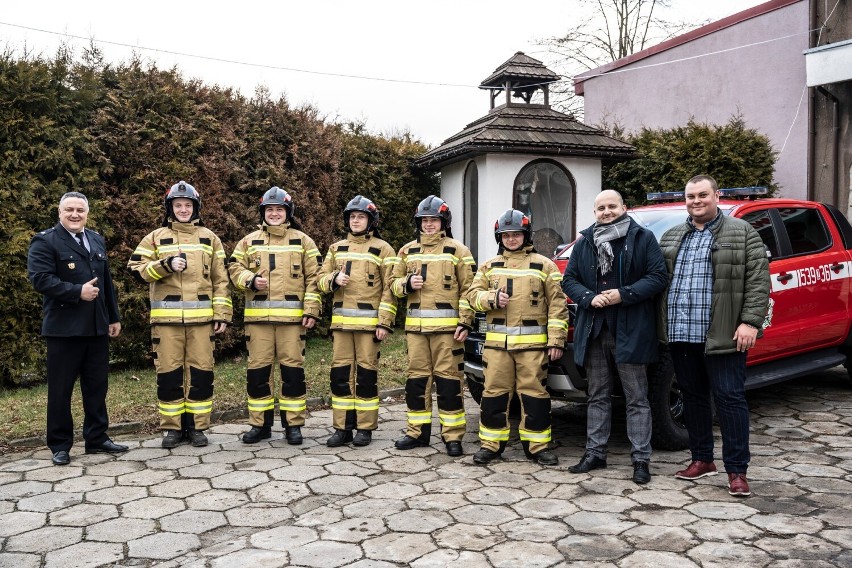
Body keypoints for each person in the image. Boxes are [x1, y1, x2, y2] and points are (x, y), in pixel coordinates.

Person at [659, 174, 770, 497]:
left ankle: (737, 470)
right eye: (691, 196)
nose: (696, 201)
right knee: (693, 398)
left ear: (716, 195)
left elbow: (759, 281)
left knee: (729, 399)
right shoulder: (671, 236)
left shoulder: (742, 233)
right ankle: (702, 459)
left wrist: (750, 322)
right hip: (681, 333)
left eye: (702, 195)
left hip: (723, 334)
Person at [562, 189, 667, 484]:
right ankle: (595, 453)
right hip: (595, 330)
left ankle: (641, 460)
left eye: (611, 206)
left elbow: (658, 277)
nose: (606, 212)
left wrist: (623, 294)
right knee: (597, 395)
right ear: (594, 212)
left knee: (637, 397)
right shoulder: (585, 242)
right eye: (600, 208)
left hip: (631, 330)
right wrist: (587, 298)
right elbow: (569, 280)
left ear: (623, 207)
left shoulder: (642, 238)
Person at [128, 181, 232, 449]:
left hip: (202, 323)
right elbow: (135, 268)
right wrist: (165, 265)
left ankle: (198, 427)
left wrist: (221, 313)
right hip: (166, 323)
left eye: (188, 205)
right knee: (169, 374)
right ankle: (172, 429)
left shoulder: (210, 238)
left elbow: (221, 280)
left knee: (201, 374)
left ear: (195, 207)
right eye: (178, 205)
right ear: (170, 208)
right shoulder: (155, 237)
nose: (183, 209)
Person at [28, 191, 128, 466]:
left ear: (87, 213)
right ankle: (60, 445)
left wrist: (113, 317)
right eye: (69, 209)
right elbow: (40, 279)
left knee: (97, 387)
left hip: (96, 327)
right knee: (60, 391)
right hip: (64, 330)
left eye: (79, 210)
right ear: (60, 212)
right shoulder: (45, 241)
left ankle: (97, 438)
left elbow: (106, 283)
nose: (74, 214)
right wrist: (76, 291)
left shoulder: (96, 239)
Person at [466, 209, 568, 466]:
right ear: (500, 237)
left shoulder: (545, 265)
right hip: (497, 347)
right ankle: (490, 445)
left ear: (526, 235)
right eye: (507, 235)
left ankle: (538, 447)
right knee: (493, 395)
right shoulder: (488, 267)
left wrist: (556, 341)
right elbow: (471, 297)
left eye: (517, 235)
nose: (512, 239)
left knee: (534, 396)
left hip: (533, 348)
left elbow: (558, 306)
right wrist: (490, 299)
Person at [228, 187, 322, 445]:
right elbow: (234, 268)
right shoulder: (248, 241)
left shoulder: (303, 241)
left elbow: (315, 278)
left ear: (288, 212)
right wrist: (249, 279)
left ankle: (293, 425)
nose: (274, 214)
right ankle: (260, 425)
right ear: (263, 212)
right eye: (270, 209)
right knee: (258, 374)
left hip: (292, 323)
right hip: (258, 323)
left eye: (279, 209)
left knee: (293, 373)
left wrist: (312, 309)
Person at [390, 196, 476, 457]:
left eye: (434, 220)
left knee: (449, 383)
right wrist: (406, 285)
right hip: (416, 332)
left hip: (448, 333)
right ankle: (417, 432)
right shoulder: (406, 251)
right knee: (416, 383)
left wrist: (465, 322)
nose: (428, 225)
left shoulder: (458, 251)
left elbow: (469, 290)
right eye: (424, 220)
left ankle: (452, 437)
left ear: (443, 223)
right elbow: (392, 285)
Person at [317, 195, 397, 447]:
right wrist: (333, 280)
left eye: (361, 216)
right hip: (341, 326)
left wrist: (384, 323)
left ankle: (365, 428)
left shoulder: (384, 249)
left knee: (365, 377)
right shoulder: (335, 248)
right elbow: (319, 281)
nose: (356, 220)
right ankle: (342, 428)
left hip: (368, 327)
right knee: (340, 377)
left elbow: (390, 289)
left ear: (371, 220)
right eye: (352, 217)